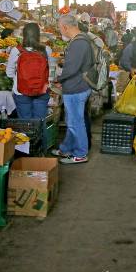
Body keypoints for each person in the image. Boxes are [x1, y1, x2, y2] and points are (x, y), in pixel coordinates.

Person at [52, 14, 93, 164]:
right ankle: (66, 148)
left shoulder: (78, 43)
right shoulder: (81, 39)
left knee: (76, 122)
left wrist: (59, 79)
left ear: (65, 27)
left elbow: (72, 68)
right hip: (77, 85)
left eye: (59, 28)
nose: (59, 31)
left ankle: (81, 153)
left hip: (77, 88)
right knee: (72, 121)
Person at [6, 23, 52, 119]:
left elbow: (9, 73)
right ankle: (39, 134)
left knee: (25, 122)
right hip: (42, 91)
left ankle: (26, 134)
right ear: (38, 35)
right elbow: (51, 71)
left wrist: (21, 77)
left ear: (23, 35)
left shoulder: (16, 50)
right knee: (39, 121)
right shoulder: (47, 50)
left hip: (21, 91)